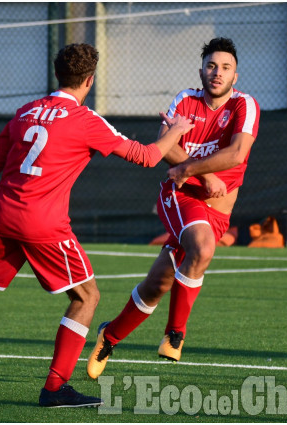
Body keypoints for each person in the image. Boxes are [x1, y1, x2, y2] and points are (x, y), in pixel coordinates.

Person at [0, 43, 194, 407]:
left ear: (56, 73)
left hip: (2, 219)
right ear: (89, 81)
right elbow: (146, 156)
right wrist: (177, 130)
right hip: (44, 225)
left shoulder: (24, 113)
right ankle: (54, 387)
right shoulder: (86, 120)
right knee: (86, 297)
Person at [87, 37, 260, 378]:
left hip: (218, 213)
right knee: (204, 247)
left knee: (158, 284)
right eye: (211, 66)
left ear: (235, 76)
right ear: (201, 70)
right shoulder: (185, 99)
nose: (217, 73)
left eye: (225, 68)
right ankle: (174, 334)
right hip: (181, 198)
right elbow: (165, 146)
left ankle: (110, 335)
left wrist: (192, 167)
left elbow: (237, 153)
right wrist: (203, 176)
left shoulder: (245, 106)